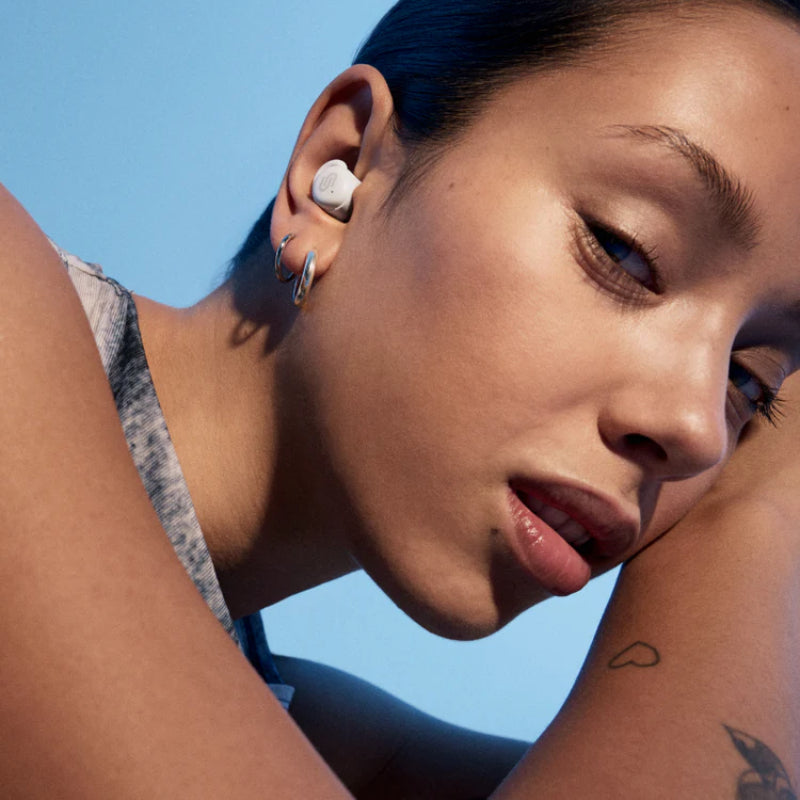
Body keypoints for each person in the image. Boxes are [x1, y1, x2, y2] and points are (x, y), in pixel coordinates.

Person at [1, 0, 799, 796]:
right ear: (343, 163)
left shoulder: (296, 732)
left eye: (748, 383)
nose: (697, 430)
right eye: (624, 250)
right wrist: (749, 522)